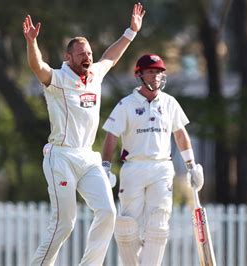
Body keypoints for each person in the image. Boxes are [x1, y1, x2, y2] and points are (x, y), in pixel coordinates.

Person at [22, 3, 145, 266]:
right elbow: (37, 66)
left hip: (88, 157)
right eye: (81, 54)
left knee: (107, 212)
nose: (87, 57)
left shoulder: (95, 75)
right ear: (69, 58)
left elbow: (111, 57)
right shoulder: (57, 79)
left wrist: (131, 32)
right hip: (61, 156)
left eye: (89, 53)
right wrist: (32, 42)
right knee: (64, 223)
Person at [101, 54, 204, 266]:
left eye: (159, 72)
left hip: (161, 167)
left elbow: (180, 134)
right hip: (133, 167)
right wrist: (105, 166)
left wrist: (191, 166)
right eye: (151, 72)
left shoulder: (169, 103)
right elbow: (111, 136)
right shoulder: (126, 104)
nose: (156, 76)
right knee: (127, 225)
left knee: (158, 224)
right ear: (139, 74)